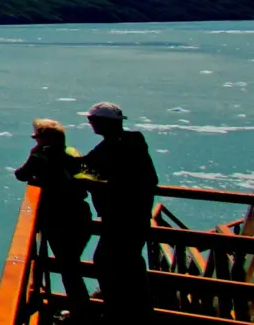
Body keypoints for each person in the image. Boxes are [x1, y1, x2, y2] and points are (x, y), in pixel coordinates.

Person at [76, 101, 158, 318]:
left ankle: (118, 311)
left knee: (108, 262)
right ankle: (138, 311)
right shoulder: (132, 142)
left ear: (105, 123)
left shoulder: (112, 148)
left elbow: (84, 171)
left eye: (93, 120)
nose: (90, 123)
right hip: (136, 216)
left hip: (121, 218)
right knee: (130, 264)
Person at [14, 118, 92, 309]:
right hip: (81, 213)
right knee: (72, 265)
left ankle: (80, 311)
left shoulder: (41, 155)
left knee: (68, 267)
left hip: (58, 217)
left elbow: (21, 174)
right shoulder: (72, 153)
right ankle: (81, 308)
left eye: (37, 138)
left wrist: (34, 157)